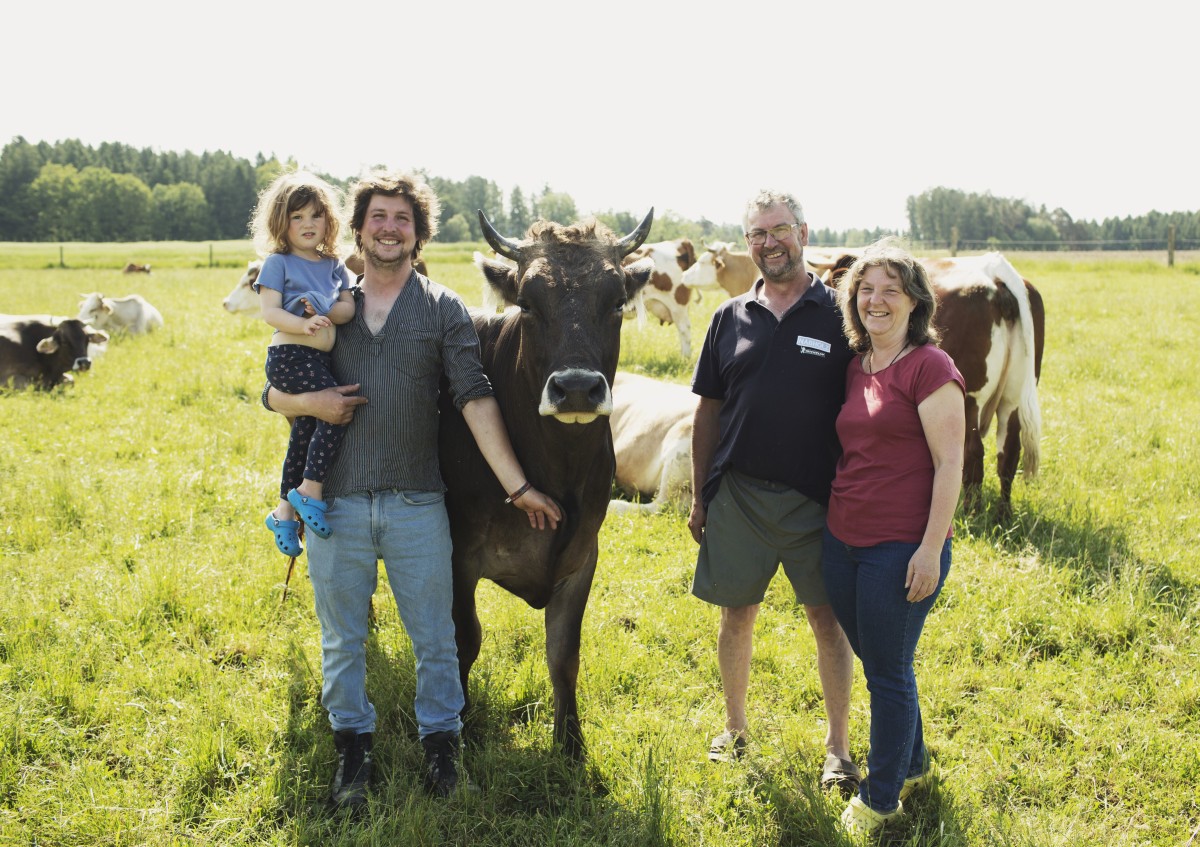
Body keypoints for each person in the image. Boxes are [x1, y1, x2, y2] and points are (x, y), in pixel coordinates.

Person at [263, 170, 562, 812]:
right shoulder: (326, 297)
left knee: (435, 636)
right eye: (378, 216)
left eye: (402, 218)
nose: (389, 227)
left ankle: (442, 750)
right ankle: (352, 751)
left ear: (419, 232)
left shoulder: (443, 309)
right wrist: (305, 400)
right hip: (333, 505)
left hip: (415, 501)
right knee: (342, 639)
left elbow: (475, 399)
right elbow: (273, 384)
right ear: (360, 226)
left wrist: (519, 488)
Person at [687, 189, 860, 793]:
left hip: (819, 498)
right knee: (738, 614)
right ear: (747, 244)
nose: (769, 242)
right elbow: (708, 410)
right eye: (757, 234)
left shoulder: (842, 314)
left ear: (804, 233)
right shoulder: (728, 317)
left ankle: (838, 748)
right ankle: (734, 730)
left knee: (826, 618)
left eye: (779, 229)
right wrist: (700, 492)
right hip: (738, 494)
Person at [821, 238, 965, 836]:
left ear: (914, 303)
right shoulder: (858, 365)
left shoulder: (930, 367)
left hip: (901, 548)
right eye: (865, 289)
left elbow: (951, 462)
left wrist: (930, 549)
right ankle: (914, 766)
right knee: (888, 665)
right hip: (842, 540)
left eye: (890, 291)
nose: (875, 301)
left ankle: (880, 800)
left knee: (886, 673)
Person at [251, 171, 356, 556]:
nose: (308, 224)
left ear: (329, 221)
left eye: (315, 215)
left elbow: (347, 307)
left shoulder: (333, 265)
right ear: (282, 223)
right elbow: (271, 313)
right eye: (297, 217)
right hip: (290, 356)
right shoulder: (278, 263)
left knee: (305, 430)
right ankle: (309, 491)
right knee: (333, 412)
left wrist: (328, 308)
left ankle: (283, 511)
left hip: (315, 356)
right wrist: (305, 322)